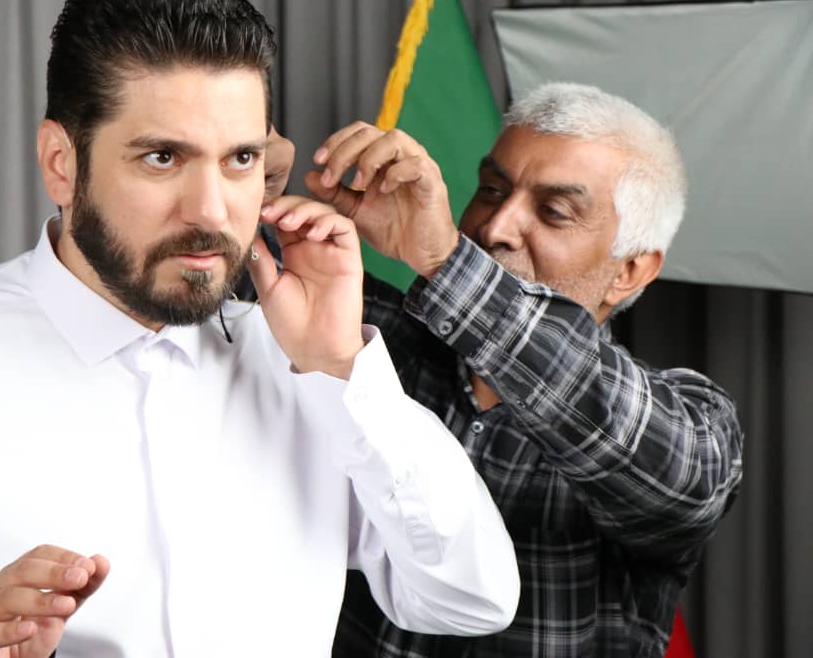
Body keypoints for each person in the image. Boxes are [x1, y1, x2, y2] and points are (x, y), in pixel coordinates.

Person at [0, 0, 520, 658]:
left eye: (240, 159)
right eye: (162, 157)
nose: (211, 210)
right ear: (62, 164)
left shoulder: (315, 377)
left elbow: (470, 599)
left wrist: (341, 370)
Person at [286, 83, 743, 657]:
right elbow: (220, 272)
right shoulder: (366, 335)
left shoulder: (693, 422)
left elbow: (677, 478)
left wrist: (447, 262)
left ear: (629, 271)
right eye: (491, 190)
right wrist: (248, 173)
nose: (496, 227)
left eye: (554, 212)